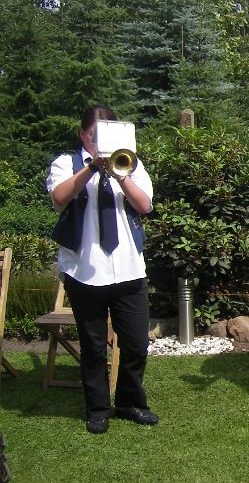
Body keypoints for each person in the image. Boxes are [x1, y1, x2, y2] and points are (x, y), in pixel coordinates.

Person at [46, 105, 156, 435]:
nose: (99, 142)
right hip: (84, 271)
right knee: (93, 347)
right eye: (95, 135)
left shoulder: (131, 164)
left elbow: (145, 205)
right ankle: (97, 407)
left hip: (128, 269)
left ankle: (129, 401)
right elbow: (59, 198)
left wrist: (121, 174)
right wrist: (91, 169)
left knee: (136, 343)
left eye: (106, 135)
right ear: (83, 134)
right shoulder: (66, 163)